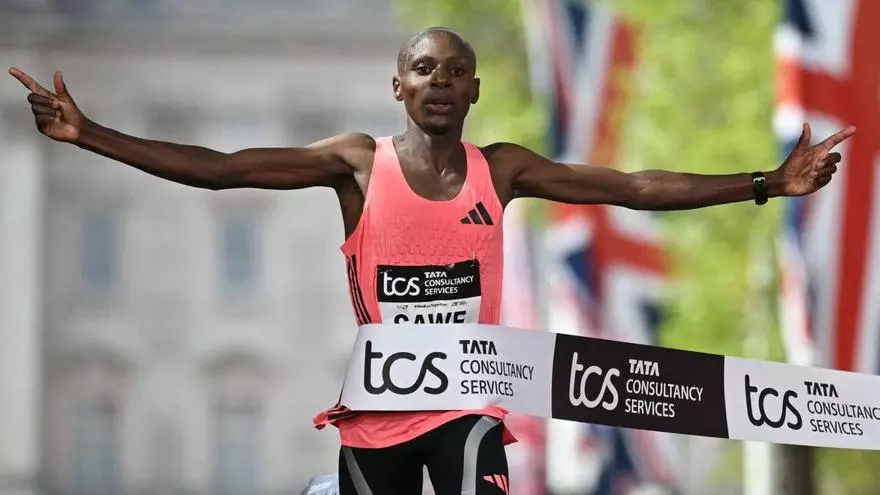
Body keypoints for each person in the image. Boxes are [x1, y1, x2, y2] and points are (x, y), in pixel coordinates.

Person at [9, 26, 853, 495]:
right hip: (377, 416)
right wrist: (91, 135)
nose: (439, 81)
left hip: (465, 407)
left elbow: (633, 186)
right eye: (423, 69)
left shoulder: (502, 170)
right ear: (399, 87)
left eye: (455, 71)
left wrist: (766, 183)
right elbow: (222, 170)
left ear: (474, 90)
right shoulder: (355, 165)